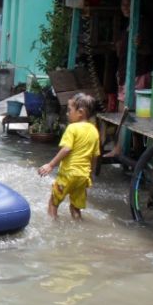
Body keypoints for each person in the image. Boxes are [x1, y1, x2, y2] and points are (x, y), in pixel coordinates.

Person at [38, 93, 101, 221]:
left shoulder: (72, 128)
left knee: (53, 203)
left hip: (68, 175)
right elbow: (95, 156)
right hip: (83, 177)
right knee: (75, 208)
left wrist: (50, 165)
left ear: (80, 112)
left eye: (69, 110)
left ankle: (53, 228)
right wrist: (91, 174)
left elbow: (66, 148)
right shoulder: (94, 131)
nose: (67, 114)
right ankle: (79, 227)